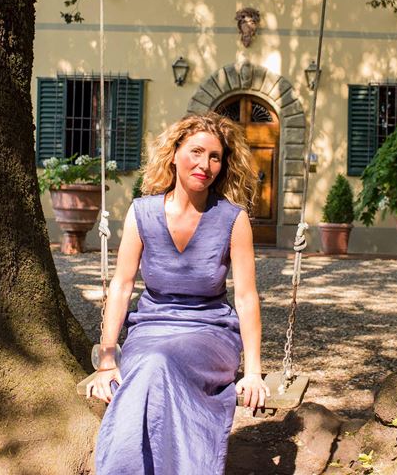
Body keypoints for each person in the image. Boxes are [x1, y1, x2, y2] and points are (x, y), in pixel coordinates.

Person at [86, 111, 271, 474]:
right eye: (196, 152)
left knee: (159, 363)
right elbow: (121, 286)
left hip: (210, 334)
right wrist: (106, 360)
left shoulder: (233, 219)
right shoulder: (142, 213)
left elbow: (246, 298)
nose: (205, 165)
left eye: (215, 157)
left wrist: (253, 371)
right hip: (150, 330)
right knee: (151, 364)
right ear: (174, 154)